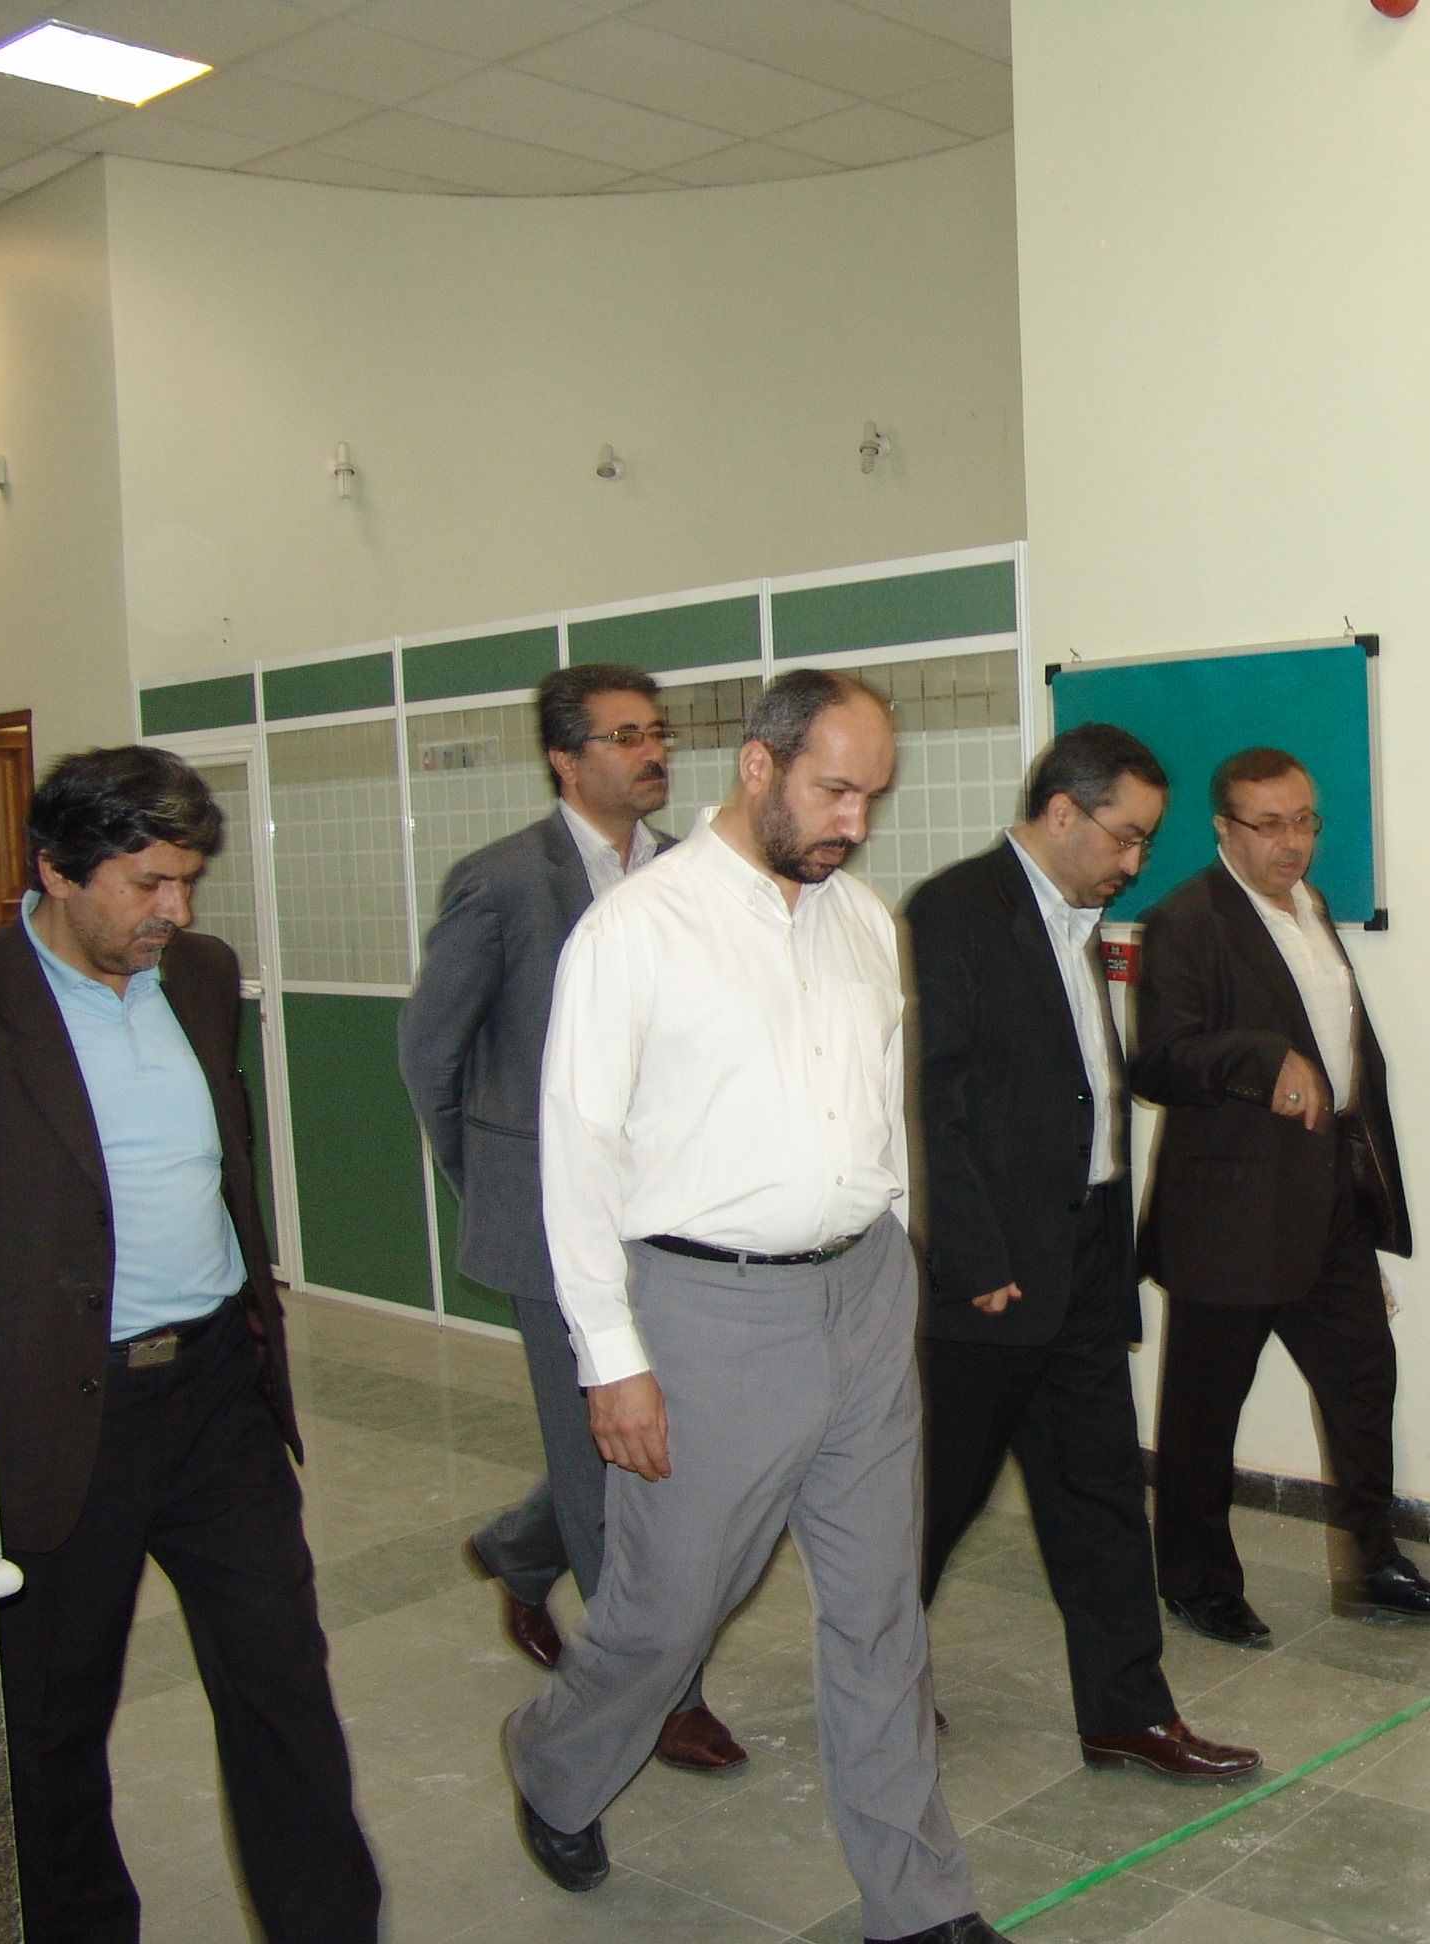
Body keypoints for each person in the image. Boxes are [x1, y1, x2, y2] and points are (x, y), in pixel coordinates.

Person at [506, 669, 1005, 1944]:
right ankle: (557, 1759)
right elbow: (576, 1154)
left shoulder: (861, 920)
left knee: (881, 1611)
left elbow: (877, 1112)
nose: (855, 822)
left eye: (872, 796)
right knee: (669, 1610)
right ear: (758, 765)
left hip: (862, 1296)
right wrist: (611, 1357)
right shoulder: (639, 929)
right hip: (707, 1314)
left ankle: (918, 1902)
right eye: (834, 791)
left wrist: (896, 1264)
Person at [0, 747, 380, 1943]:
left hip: (213, 1394)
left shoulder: (197, 974)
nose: (177, 912)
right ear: (56, 869)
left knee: (282, 1685)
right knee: (51, 1723)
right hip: (64, 1413)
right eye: (147, 883)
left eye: (188, 881)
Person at [398, 663, 741, 1774]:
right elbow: (430, 1054)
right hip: (553, 1228)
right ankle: (656, 1693)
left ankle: (517, 1546)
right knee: (609, 1468)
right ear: (564, 758)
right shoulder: (503, 882)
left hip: (668, 1217)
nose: (653, 753)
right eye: (625, 737)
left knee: (663, 1430)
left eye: (657, 733)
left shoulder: (691, 874)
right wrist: (501, 1185)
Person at [906, 724, 1260, 1783]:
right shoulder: (956, 909)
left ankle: (1127, 1713)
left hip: (1083, 1256)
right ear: (1063, 811)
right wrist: (974, 1256)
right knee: (932, 1501)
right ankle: (874, 1679)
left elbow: (1082, 1090)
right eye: (1127, 836)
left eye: (1146, 841)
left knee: (1102, 1495)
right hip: (995, 1271)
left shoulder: (1082, 916)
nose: (1137, 861)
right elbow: (935, 1096)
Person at [1130, 746, 1430, 1645]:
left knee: (1365, 1381)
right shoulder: (1185, 922)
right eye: (1269, 825)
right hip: (1229, 1217)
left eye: (1304, 822)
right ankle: (1197, 1583)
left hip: (1328, 1201)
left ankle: (1374, 1567)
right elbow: (1159, 1061)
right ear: (1225, 829)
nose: (1292, 843)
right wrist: (1260, 1059)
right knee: (1205, 1411)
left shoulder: (1313, 907)